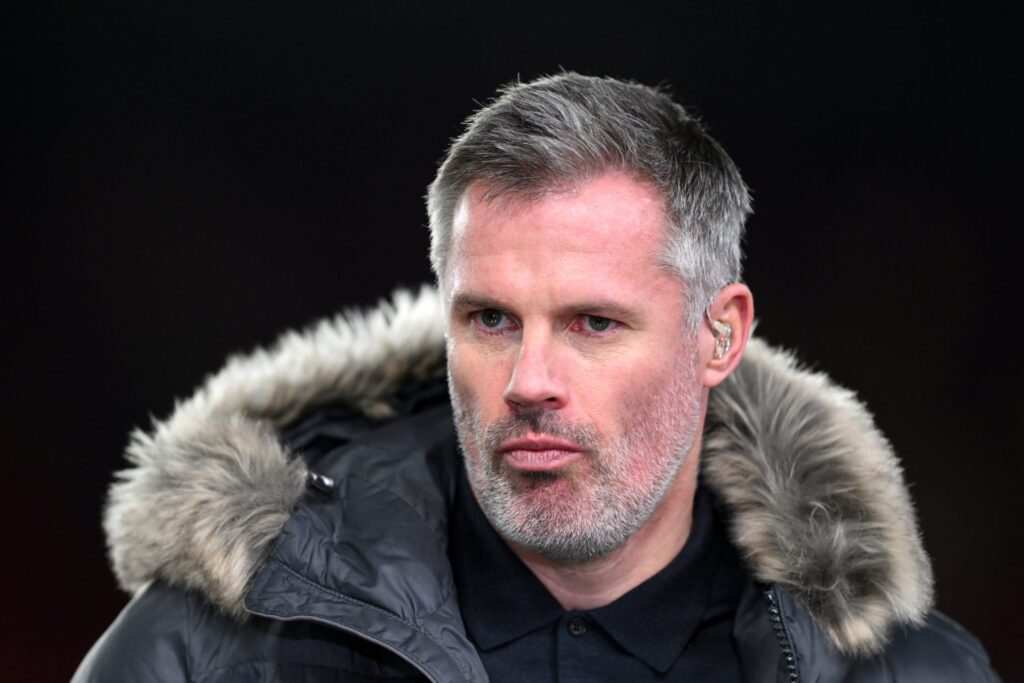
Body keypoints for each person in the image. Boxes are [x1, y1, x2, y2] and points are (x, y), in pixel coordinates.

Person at [73, 73, 998, 682]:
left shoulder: (907, 673)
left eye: (593, 322)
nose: (529, 379)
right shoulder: (204, 650)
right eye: (490, 320)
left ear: (721, 335)